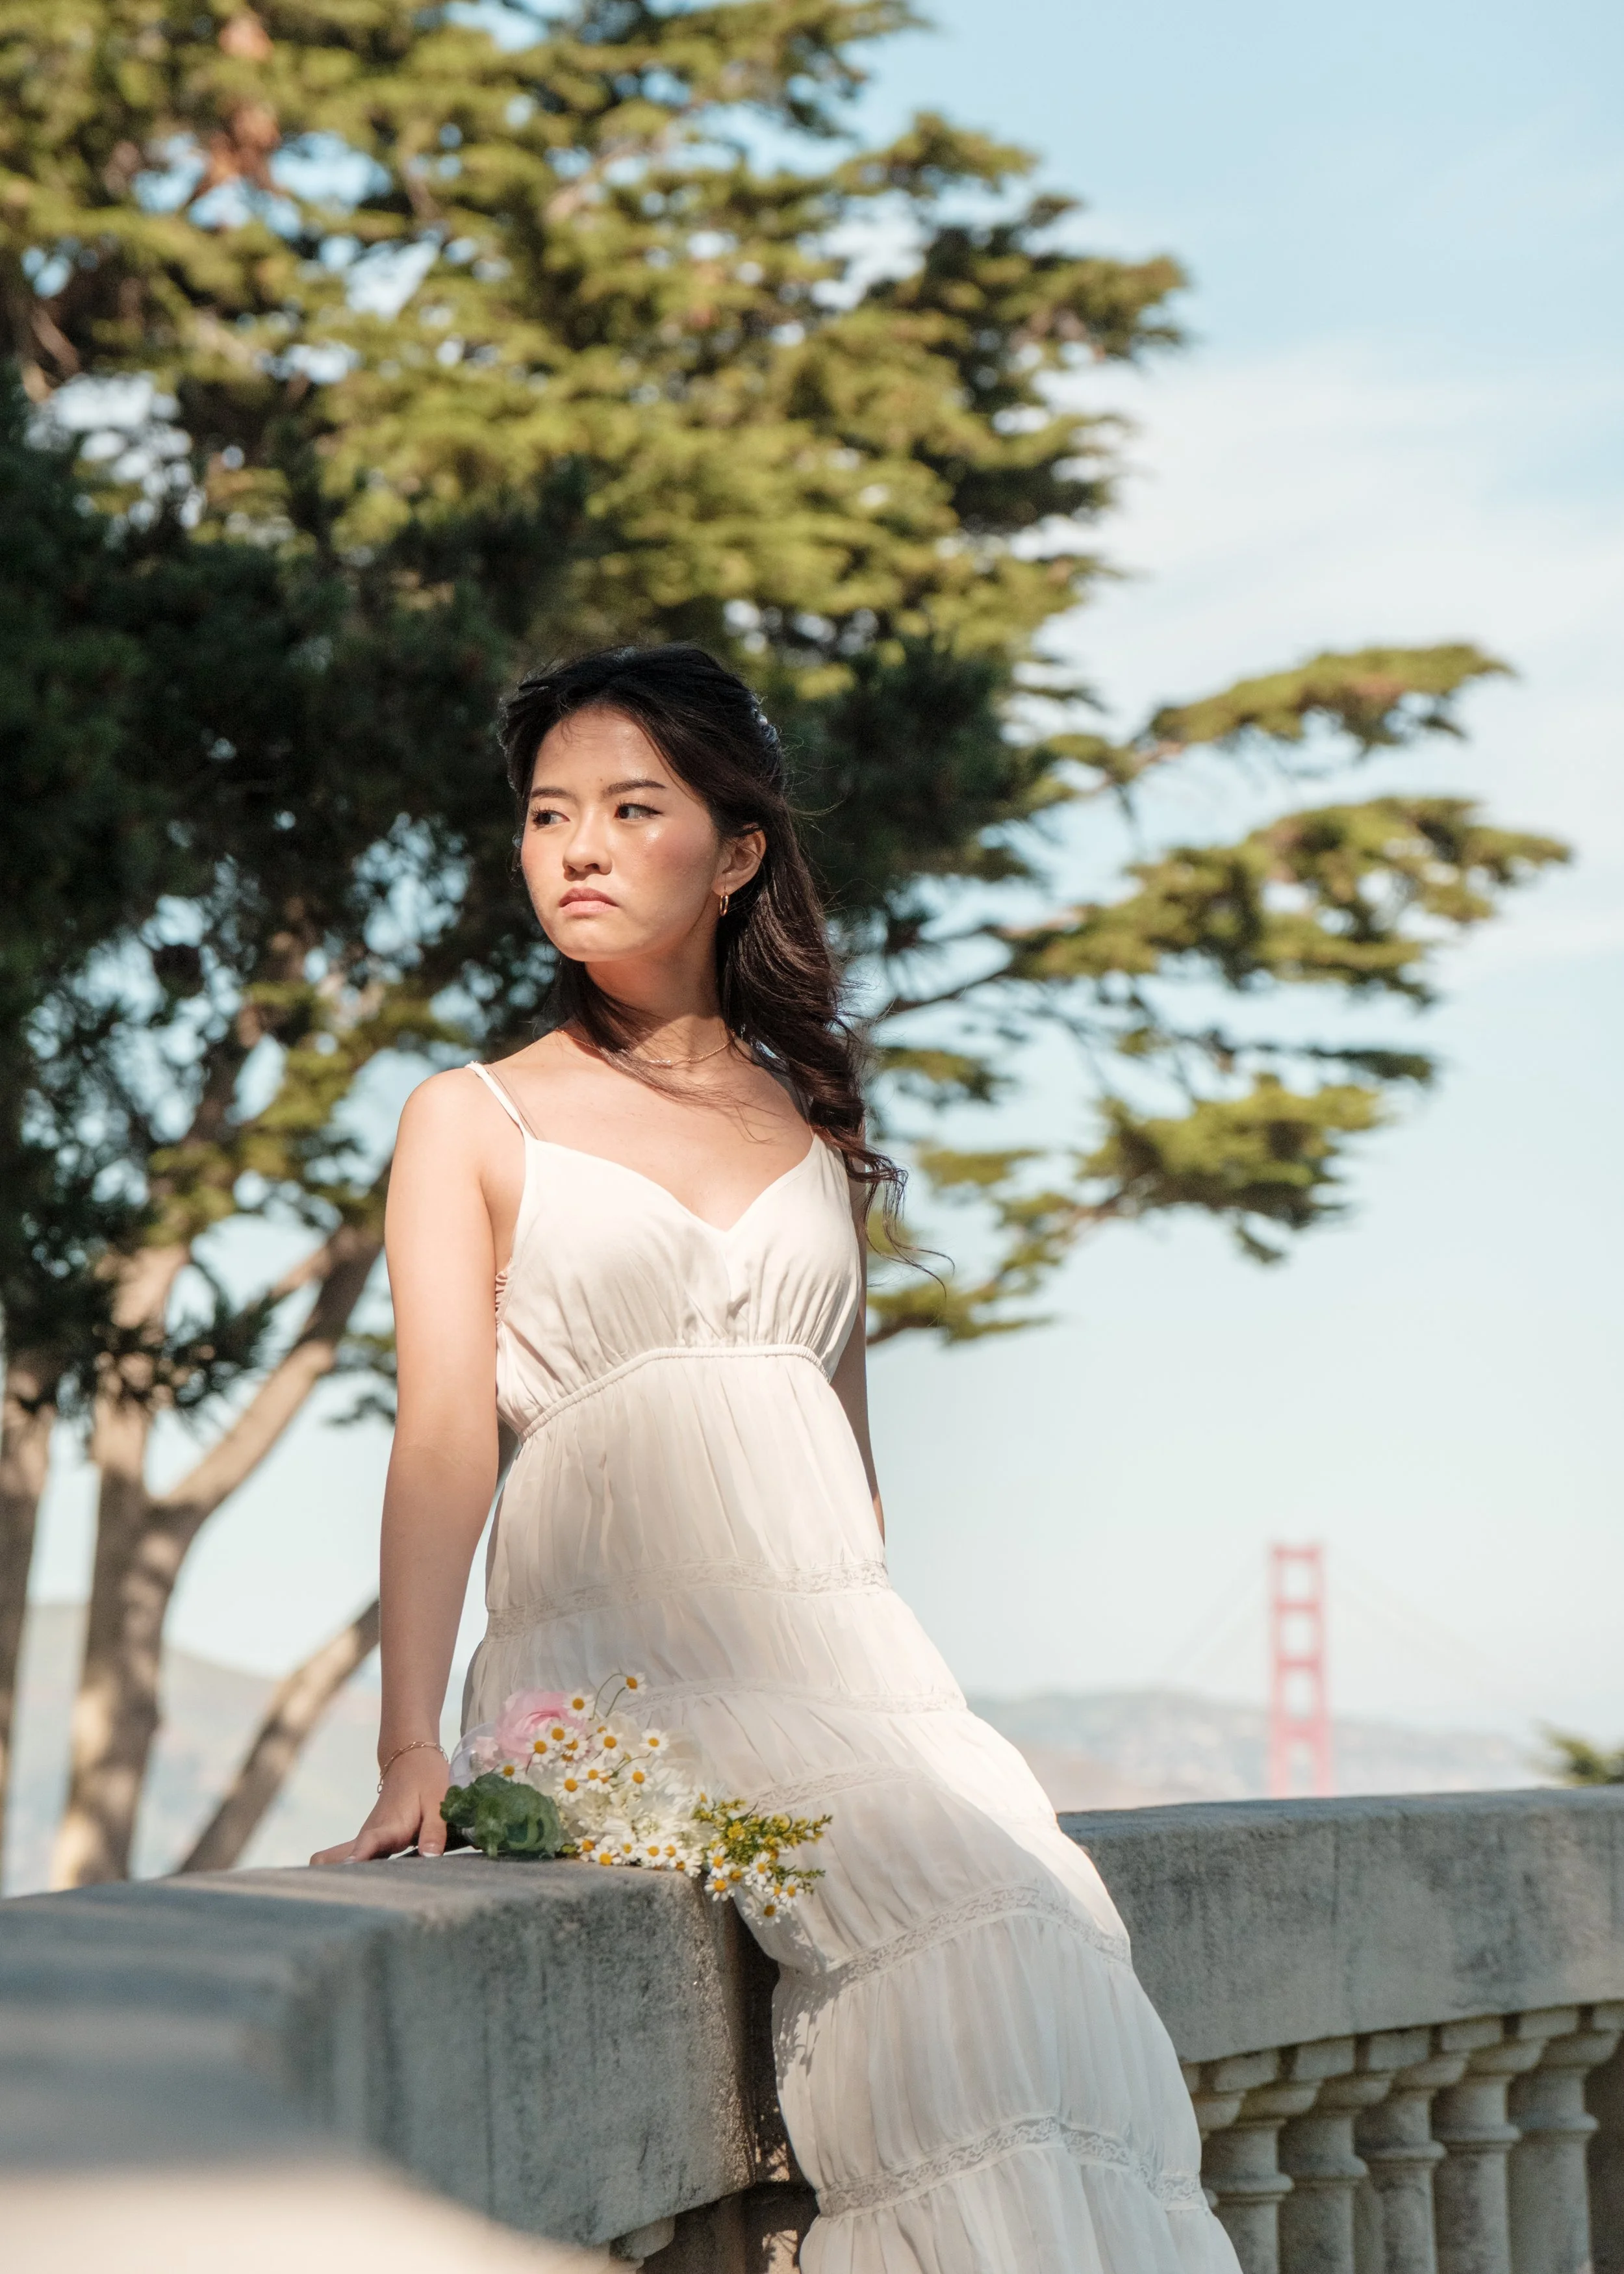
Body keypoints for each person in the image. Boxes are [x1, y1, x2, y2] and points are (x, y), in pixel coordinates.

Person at [314, 645, 1237, 2274]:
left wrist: (903, 1711)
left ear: (735, 851)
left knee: (1041, 1926)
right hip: (623, 1668)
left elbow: (847, 1462)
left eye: (628, 808)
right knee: (954, 1941)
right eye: (544, 816)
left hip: (854, 1666)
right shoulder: (472, 1118)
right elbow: (446, 1435)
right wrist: (409, 1741)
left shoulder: (809, 1115)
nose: (575, 849)